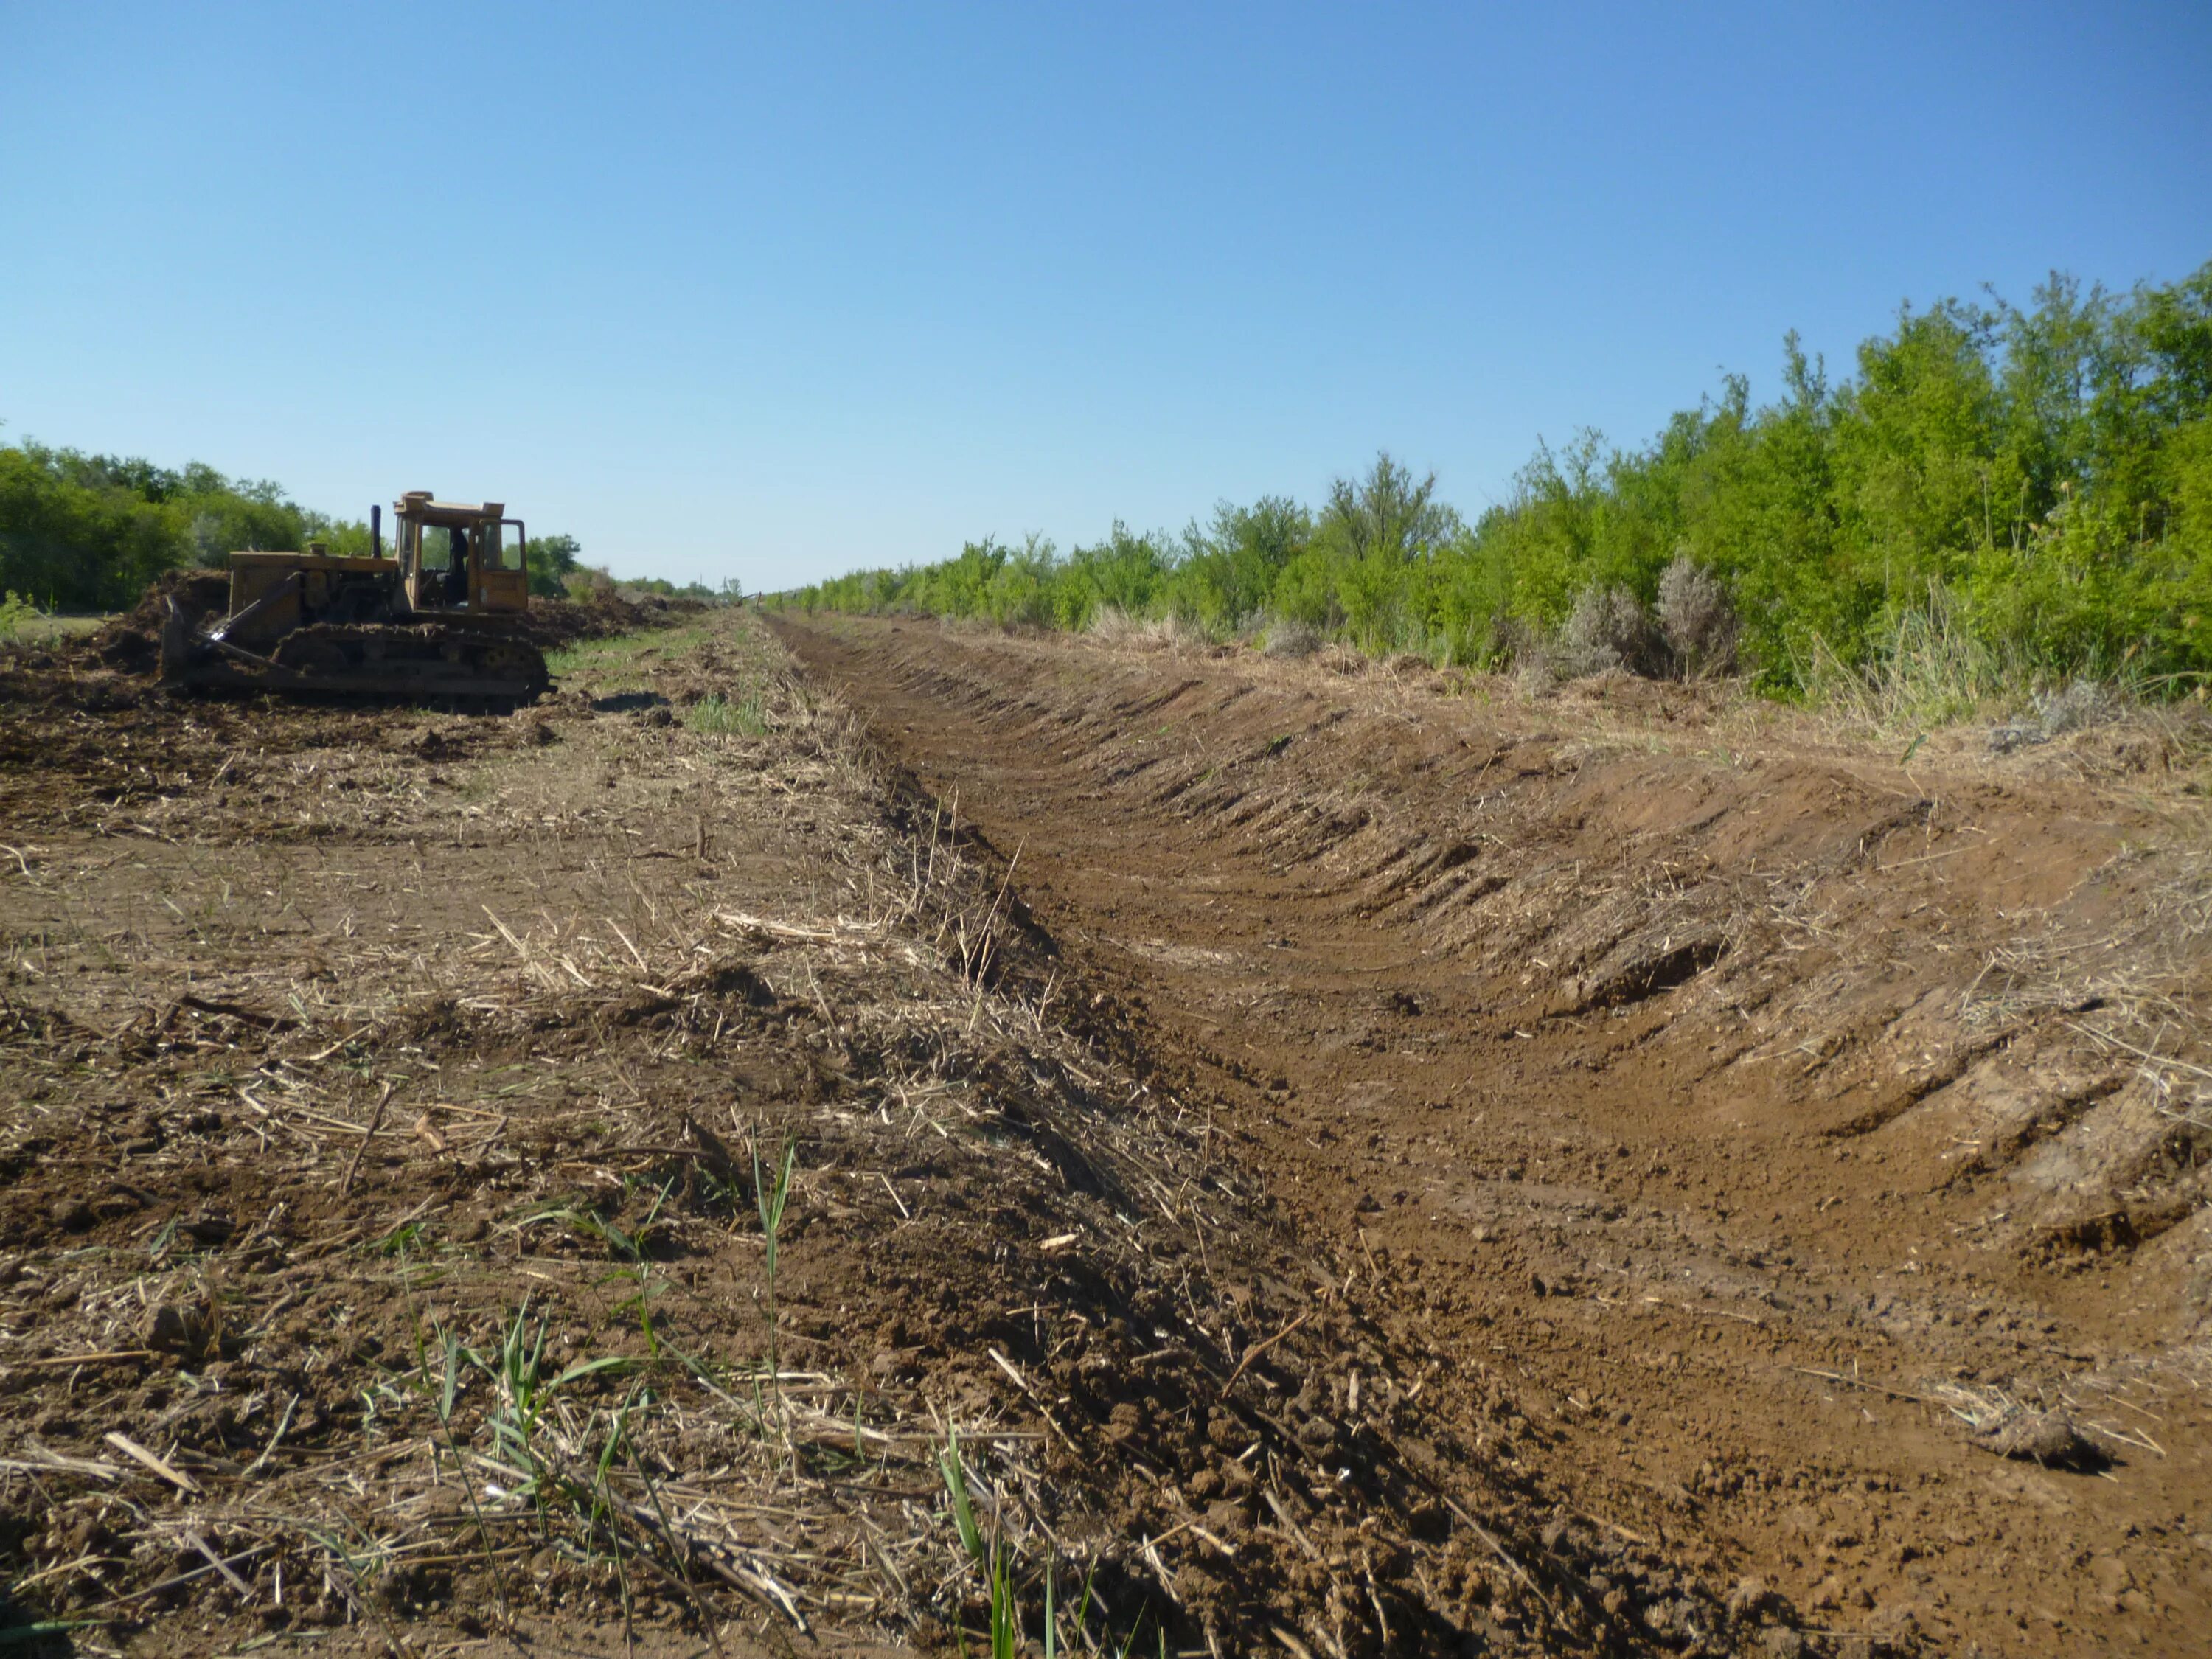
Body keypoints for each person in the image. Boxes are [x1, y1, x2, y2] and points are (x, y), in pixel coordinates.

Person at [445, 528, 470, 605]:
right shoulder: (458, 540)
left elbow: (465, 551)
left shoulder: (459, 541)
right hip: (457, 572)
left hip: (458, 575)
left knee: (449, 581)